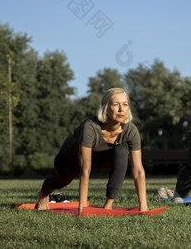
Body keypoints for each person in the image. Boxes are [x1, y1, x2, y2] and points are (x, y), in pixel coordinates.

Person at [37, 88, 148, 216]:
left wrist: (143, 208)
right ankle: (44, 192)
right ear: (105, 107)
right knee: (61, 181)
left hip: (100, 159)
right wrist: (82, 209)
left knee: (121, 152)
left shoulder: (130, 129)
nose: (121, 109)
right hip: (70, 160)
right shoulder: (90, 127)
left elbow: (138, 171)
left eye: (125, 104)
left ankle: (108, 204)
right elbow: (85, 169)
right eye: (115, 104)